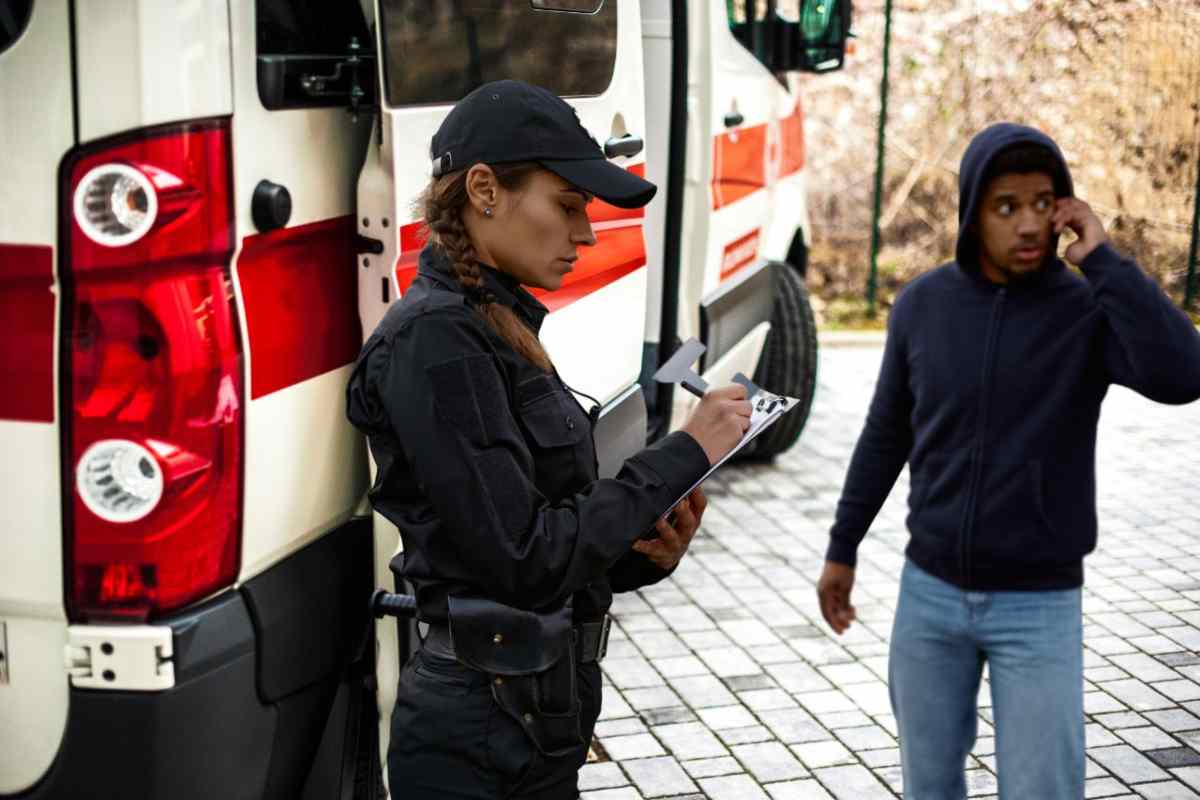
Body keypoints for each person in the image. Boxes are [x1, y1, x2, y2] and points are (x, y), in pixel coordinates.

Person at [346, 79, 752, 800]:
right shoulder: (437, 342)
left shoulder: (494, 323)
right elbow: (522, 559)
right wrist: (685, 451)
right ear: (483, 190)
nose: (587, 233)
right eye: (568, 206)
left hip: (530, 717)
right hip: (477, 732)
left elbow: (535, 546)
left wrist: (638, 556)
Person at [816, 123, 1200, 798]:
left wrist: (1105, 261)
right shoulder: (922, 306)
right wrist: (842, 547)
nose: (1029, 223)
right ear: (973, 215)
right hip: (929, 596)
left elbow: (1184, 375)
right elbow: (885, 434)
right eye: (1006, 207)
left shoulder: (1087, 310)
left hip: (1040, 605)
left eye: (1043, 202)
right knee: (928, 787)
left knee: (1043, 789)